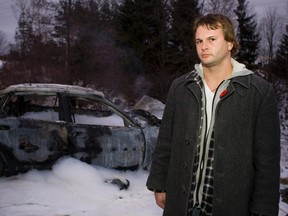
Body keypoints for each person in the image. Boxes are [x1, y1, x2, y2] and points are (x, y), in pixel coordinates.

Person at [146, 13, 280, 216]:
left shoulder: (258, 91)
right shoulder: (181, 86)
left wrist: (263, 209)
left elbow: (267, 161)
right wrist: (159, 183)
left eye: (211, 39)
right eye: (199, 41)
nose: (203, 46)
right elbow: (166, 139)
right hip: (183, 202)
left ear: (229, 43)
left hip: (230, 205)